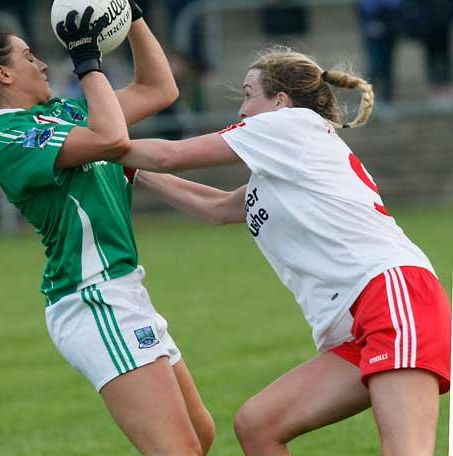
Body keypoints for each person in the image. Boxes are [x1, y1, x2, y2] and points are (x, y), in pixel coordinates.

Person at [0, 3, 215, 455]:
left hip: (124, 290)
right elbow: (113, 139)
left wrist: (134, 16)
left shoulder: (62, 114)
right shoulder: (11, 137)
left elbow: (159, 89)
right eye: (29, 56)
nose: (43, 62)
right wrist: (87, 62)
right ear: (3, 75)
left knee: (199, 435)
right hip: (92, 298)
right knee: (178, 450)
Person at [118, 47, 451, 455]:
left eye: (248, 94)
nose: (242, 110)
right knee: (259, 424)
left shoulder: (291, 125)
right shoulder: (280, 164)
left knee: (405, 450)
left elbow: (172, 155)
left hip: (392, 294)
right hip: (357, 320)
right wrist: (129, 169)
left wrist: (93, 142)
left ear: (280, 101)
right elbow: (215, 207)